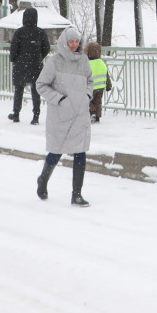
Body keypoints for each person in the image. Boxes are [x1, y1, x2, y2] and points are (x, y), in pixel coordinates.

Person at [35, 31, 94, 207]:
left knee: (80, 152)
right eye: (71, 42)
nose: (74, 45)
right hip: (61, 114)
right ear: (64, 42)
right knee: (56, 151)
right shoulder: (54, 61)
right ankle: (43, 180)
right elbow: (41, 85)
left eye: (77, 41)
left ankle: (76, 194)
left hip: (80, 113)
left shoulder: (83, 60)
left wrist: (87, 95)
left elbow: (90, 81)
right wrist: (60, 99)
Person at [8, 7, 50, 124]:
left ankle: (16, 113)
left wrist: (15, 59)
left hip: (20, 66)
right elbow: (46, 48)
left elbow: (13, 49)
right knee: (35, 91)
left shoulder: (19, 32)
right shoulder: (40, 32)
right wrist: (39, 57)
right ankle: (36, 116)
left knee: (19, 89)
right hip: (35, 66)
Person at [86, 41, 107, 124]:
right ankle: (98, 116)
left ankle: (92, 112)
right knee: (98, 102)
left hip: (91, 87)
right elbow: (106, 74)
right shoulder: (102, 63)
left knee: (89, 101)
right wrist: (108, 85)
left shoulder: (87, 64)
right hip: (101, 87)